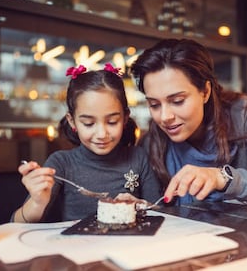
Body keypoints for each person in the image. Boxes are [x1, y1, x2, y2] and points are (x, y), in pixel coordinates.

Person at [130, 38, 247, 206]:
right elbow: (154, 205)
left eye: (178, 101)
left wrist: (221, 177)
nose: (165, 117)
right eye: (154, 104)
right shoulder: (151, 142)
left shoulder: (241, 112)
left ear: (205, 91)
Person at [13, 63, 161, 222]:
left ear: (125, 118)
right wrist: (37, 203)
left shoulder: (137, 157)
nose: (102, 134)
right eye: (89, 124)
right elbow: (16, 223)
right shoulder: (62, 164)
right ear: (72, 121)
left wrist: (140, 206)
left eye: (112, 122)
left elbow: (161, 214)